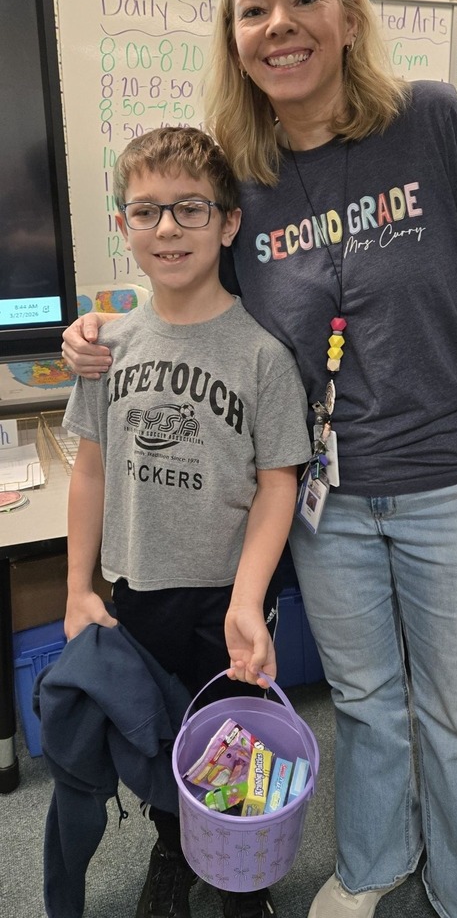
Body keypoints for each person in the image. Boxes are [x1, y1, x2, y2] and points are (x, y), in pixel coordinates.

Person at [61, 0, 457, 918]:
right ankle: (371, 864)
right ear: (234, 39)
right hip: (330, 499)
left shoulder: (430, 120)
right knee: (364, 704)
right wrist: (94, 330)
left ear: (347, 13)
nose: (280, 24)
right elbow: (187, 289)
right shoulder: (248, 173)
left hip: (456, 476)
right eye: (253, 9)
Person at [61, 126, 311, 918]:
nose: (166, 229)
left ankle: (244, 871)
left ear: (228, 223)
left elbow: (279, 485)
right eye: (146, 212)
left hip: (223, 596)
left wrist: (247, 598)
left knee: (233, 734)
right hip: (137, 590)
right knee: (159, 738)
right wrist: (76, 586)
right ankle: (174, 852)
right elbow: (91, 468)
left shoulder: (262, 355)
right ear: (125, 225)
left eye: (189, 210)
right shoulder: (108, 347)